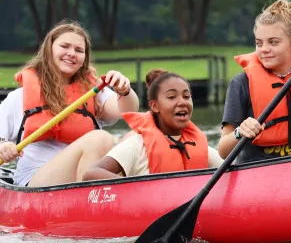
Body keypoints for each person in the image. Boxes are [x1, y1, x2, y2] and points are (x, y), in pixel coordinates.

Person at [0, 20, 139, 187]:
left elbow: (129, 111)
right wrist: (3, 146)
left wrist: (123, 90)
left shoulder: (93, 91)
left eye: (79, 50)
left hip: (85, 178)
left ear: (84, 58)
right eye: (64, 46)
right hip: (36, 181)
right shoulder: (19, 97)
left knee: (138, 137)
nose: (72, 53)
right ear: (48, 50)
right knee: (99, 138)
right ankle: (91, 202)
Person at [218, 0, 291, 164]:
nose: (264, 50)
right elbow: (223, 151)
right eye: (259, 43)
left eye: (273, 42)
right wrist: (239, 132)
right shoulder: (241, 83)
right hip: (257, 173)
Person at [83, 69, 223, 180]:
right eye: (172, 97)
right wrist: (135, 187)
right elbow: (91, 173)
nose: (182, 102)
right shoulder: (137, 145)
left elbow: (231, 169)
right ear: (154, 106)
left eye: (187, 96)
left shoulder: (198, 145)